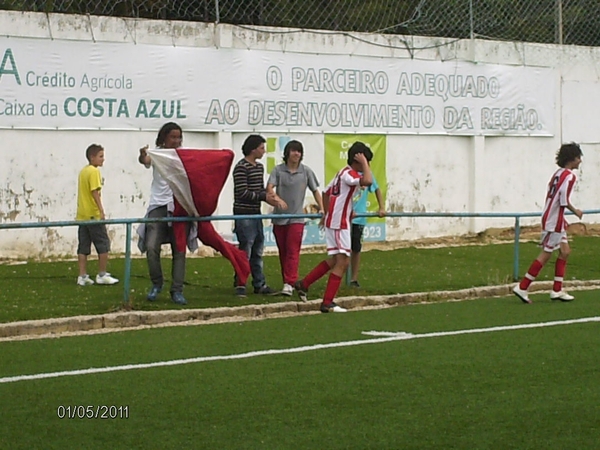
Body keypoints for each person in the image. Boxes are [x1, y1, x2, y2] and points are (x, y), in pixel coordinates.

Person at [295, 141, 373, 313]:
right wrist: (365, 163)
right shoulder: (349, 174)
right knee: (343, 261)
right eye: (366, 160)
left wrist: (328, 212)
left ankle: (304, 284)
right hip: (339, 224)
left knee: (335, 260)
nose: (367, 165)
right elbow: (368, 180)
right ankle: (327, 302)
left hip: (336, 220)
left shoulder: (341, 173)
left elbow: (326, 192)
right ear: (358, 159)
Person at [513, 142, 583, 304]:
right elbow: (563, 199)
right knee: (547, 253)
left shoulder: (557, 173)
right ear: (572, 159)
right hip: (554, 220)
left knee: (565, 251)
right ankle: (523, 287)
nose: (580, 161)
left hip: (551, 216)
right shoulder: (570, 176)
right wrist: (576, 211)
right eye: (578, 157)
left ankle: (557, 290)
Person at [137, 122, 187, 305]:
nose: (176, 140)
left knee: (179, 250)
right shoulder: (157, 154)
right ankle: (156, 283)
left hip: (178, 206)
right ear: (164, 137)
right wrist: (142, 155)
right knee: (151, 247)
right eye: (172, 137)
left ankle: (177, 290)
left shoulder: (183, 155)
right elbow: (145, 160)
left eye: (178, 137)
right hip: (158, 206)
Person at [267, 140, 324, 296]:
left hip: (297, 219)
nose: (296, 154)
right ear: (287, 153)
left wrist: (322, 208)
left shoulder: (306, 171)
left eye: (299, 151)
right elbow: (269, 188)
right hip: (279, 218)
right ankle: (287, 281)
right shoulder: (278, 170)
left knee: (293, 250)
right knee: (283, 252)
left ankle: (290, 282)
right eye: (293, 151)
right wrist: (277, 199)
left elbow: (316, 191)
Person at [232, 134, 285, 297]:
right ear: (253, 149)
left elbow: (260, 189)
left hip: (256, 213)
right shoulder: (241, 167)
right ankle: (240, 283)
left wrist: (271, 198)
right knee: (245, 250)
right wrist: (263, 197)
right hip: (243, 214)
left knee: (257, 250)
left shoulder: (259, 167)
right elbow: (242, 192)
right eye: (262, 148)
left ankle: (259, 283)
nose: (264, 151)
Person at [76, 144, 119, 286]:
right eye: (100, 156)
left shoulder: (83, 171)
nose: (103, 159)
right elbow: (94, 191)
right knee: (103, 244)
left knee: (83, 246)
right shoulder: (94, 171)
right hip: (93, 215)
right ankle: (102, 274)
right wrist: (101, 210)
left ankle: (82, 276)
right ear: (92, 157)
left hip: (82, 215)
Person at [349, 173, 385, 288]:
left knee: (356, 248)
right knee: (342, 250)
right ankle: (338, 276)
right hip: (345, 218)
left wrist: (381, 207)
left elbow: (377, 189)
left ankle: (353, 279)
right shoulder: (348, 174)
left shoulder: (368, 175)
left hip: (359, 218)